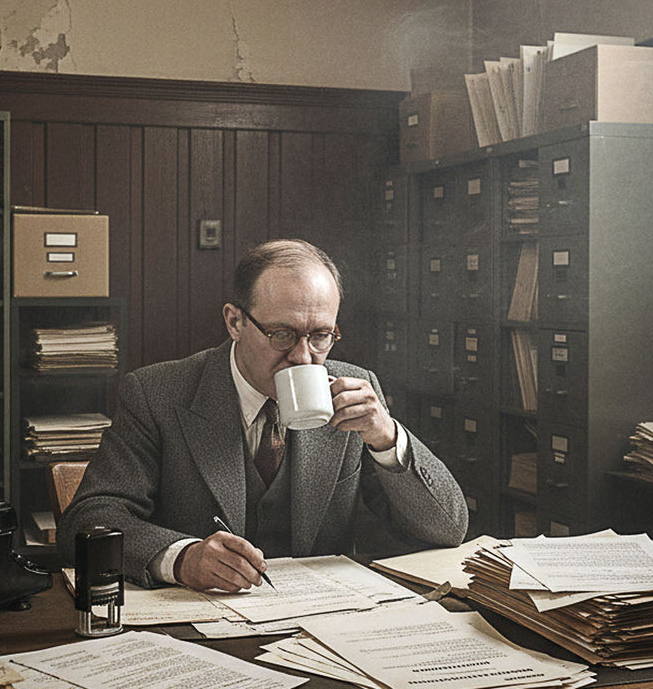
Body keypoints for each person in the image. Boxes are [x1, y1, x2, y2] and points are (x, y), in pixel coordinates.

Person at [58, 239, 467, 591]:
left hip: (321, 621)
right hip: (201, 623)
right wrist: (182, 559)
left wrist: (387, 438)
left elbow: (447, 529)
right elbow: (88, 519)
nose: (303, 356)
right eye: (282, 334)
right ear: (235, 321)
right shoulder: (157, 394)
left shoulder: (356, 390)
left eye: (321, 336)